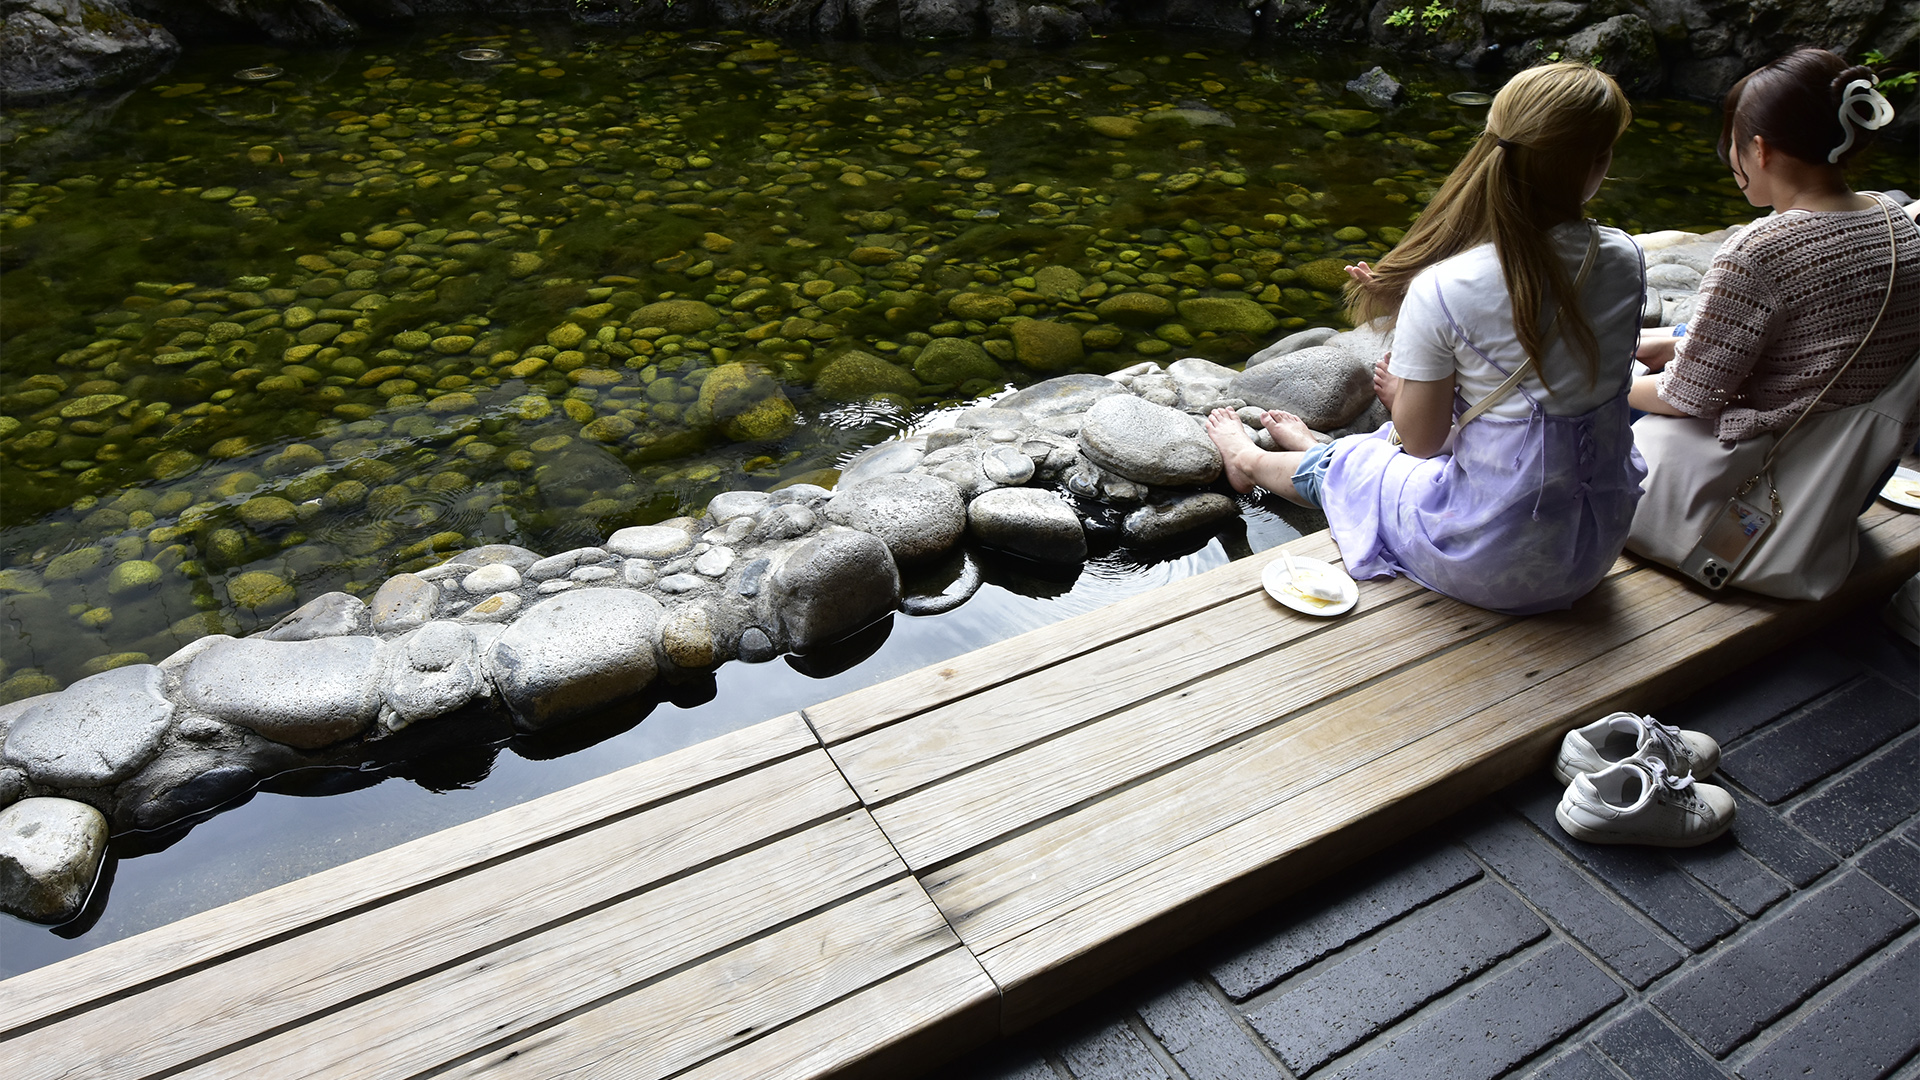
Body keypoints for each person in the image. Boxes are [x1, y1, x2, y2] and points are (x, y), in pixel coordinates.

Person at [1204, 62, 1646, 614]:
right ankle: (1318, 452)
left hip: (1491, 561)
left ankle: (1249, 462)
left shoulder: (1446, 286)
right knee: (1386, 452)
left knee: (1370, 462)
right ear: (1599, 161)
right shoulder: (1626, 257)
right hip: (1591, 547)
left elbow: (1421, 441)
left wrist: (1403, 386)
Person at [1625, 47, 1920, 597]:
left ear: (1757, 149)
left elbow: (1688, 399)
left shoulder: (1761, 251)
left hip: (1753, 478)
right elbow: (1818, 346)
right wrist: (1678, 340)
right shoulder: (1895, 223)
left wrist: (1607, 383)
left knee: (1602, 404)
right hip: (1847, 479)